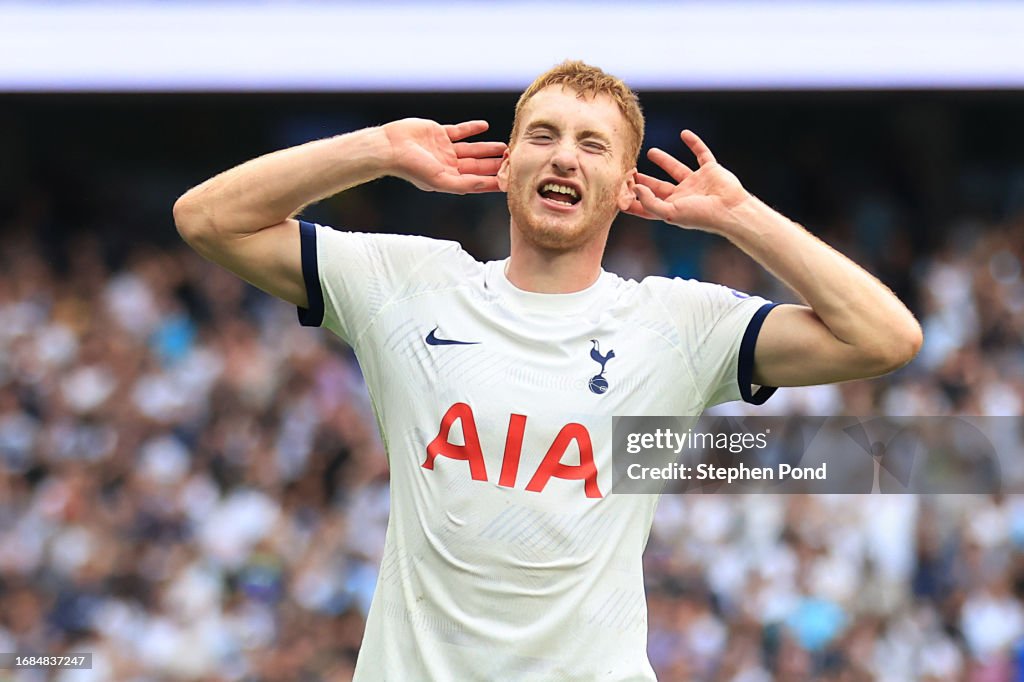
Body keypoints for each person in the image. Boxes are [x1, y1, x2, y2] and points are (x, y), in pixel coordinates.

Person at [173, 61, 921, 681]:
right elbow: (206, 219)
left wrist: (739, 215)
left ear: (628, 186)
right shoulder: (406, 283)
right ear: (508, 166)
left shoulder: (678, 324)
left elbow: (884, 338)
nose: (565, 155)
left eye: (593, 145)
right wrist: (373, 149)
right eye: (543, 135)